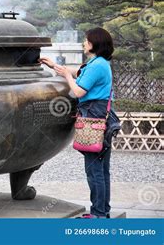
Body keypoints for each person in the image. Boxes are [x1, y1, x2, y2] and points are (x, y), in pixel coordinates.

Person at [40, 27, 120, 219]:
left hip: (94, 119)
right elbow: (80, 73)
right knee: (102, 169)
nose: (84, 43)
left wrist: (66, 77)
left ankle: (98, 214)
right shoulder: (99, 63)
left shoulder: (97, 65)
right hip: (102, 118)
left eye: (86, 41)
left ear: (93, 44)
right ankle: (103, 211)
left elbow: (78, 91)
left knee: (94, 170)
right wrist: (54, 67)